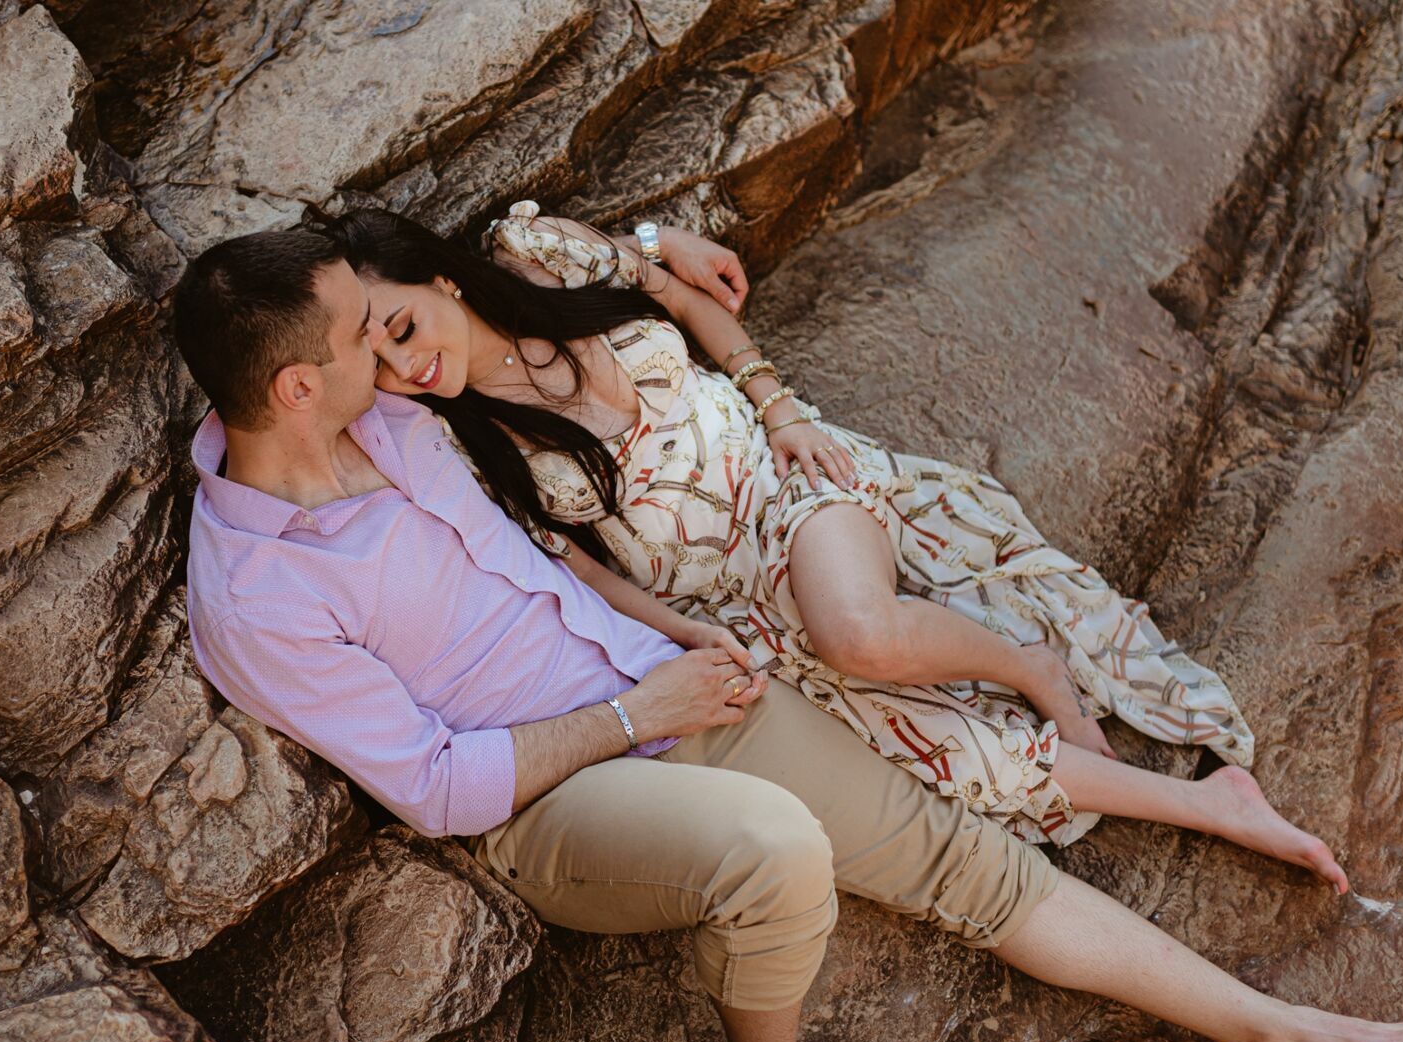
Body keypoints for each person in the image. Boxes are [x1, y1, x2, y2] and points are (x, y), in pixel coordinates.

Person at [171, 220, 1403, 1042]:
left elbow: (558, 491)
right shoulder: (258, 599)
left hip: (672, 684)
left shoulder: (390, 427)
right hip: (555, 789)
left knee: (967, 860)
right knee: (776, 855)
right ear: (296, 388)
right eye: (357, 340)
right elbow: (441, 787)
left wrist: (674, 257)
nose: (386, 364)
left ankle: (1267, 1032)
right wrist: (641, 703)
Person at [332, 203, 1339, 875]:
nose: (403, 367)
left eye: (402, 327)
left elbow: (679, 292)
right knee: (941, 753)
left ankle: (1032, 663)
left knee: (856, 632)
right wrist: (686, 635)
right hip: (725, 597)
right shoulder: (459, 447)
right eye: (375, 361)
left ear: (444, 282)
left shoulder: (536, 255)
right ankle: (1224, 807)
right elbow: (583, 571)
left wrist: (781, 407)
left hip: (788, 486)